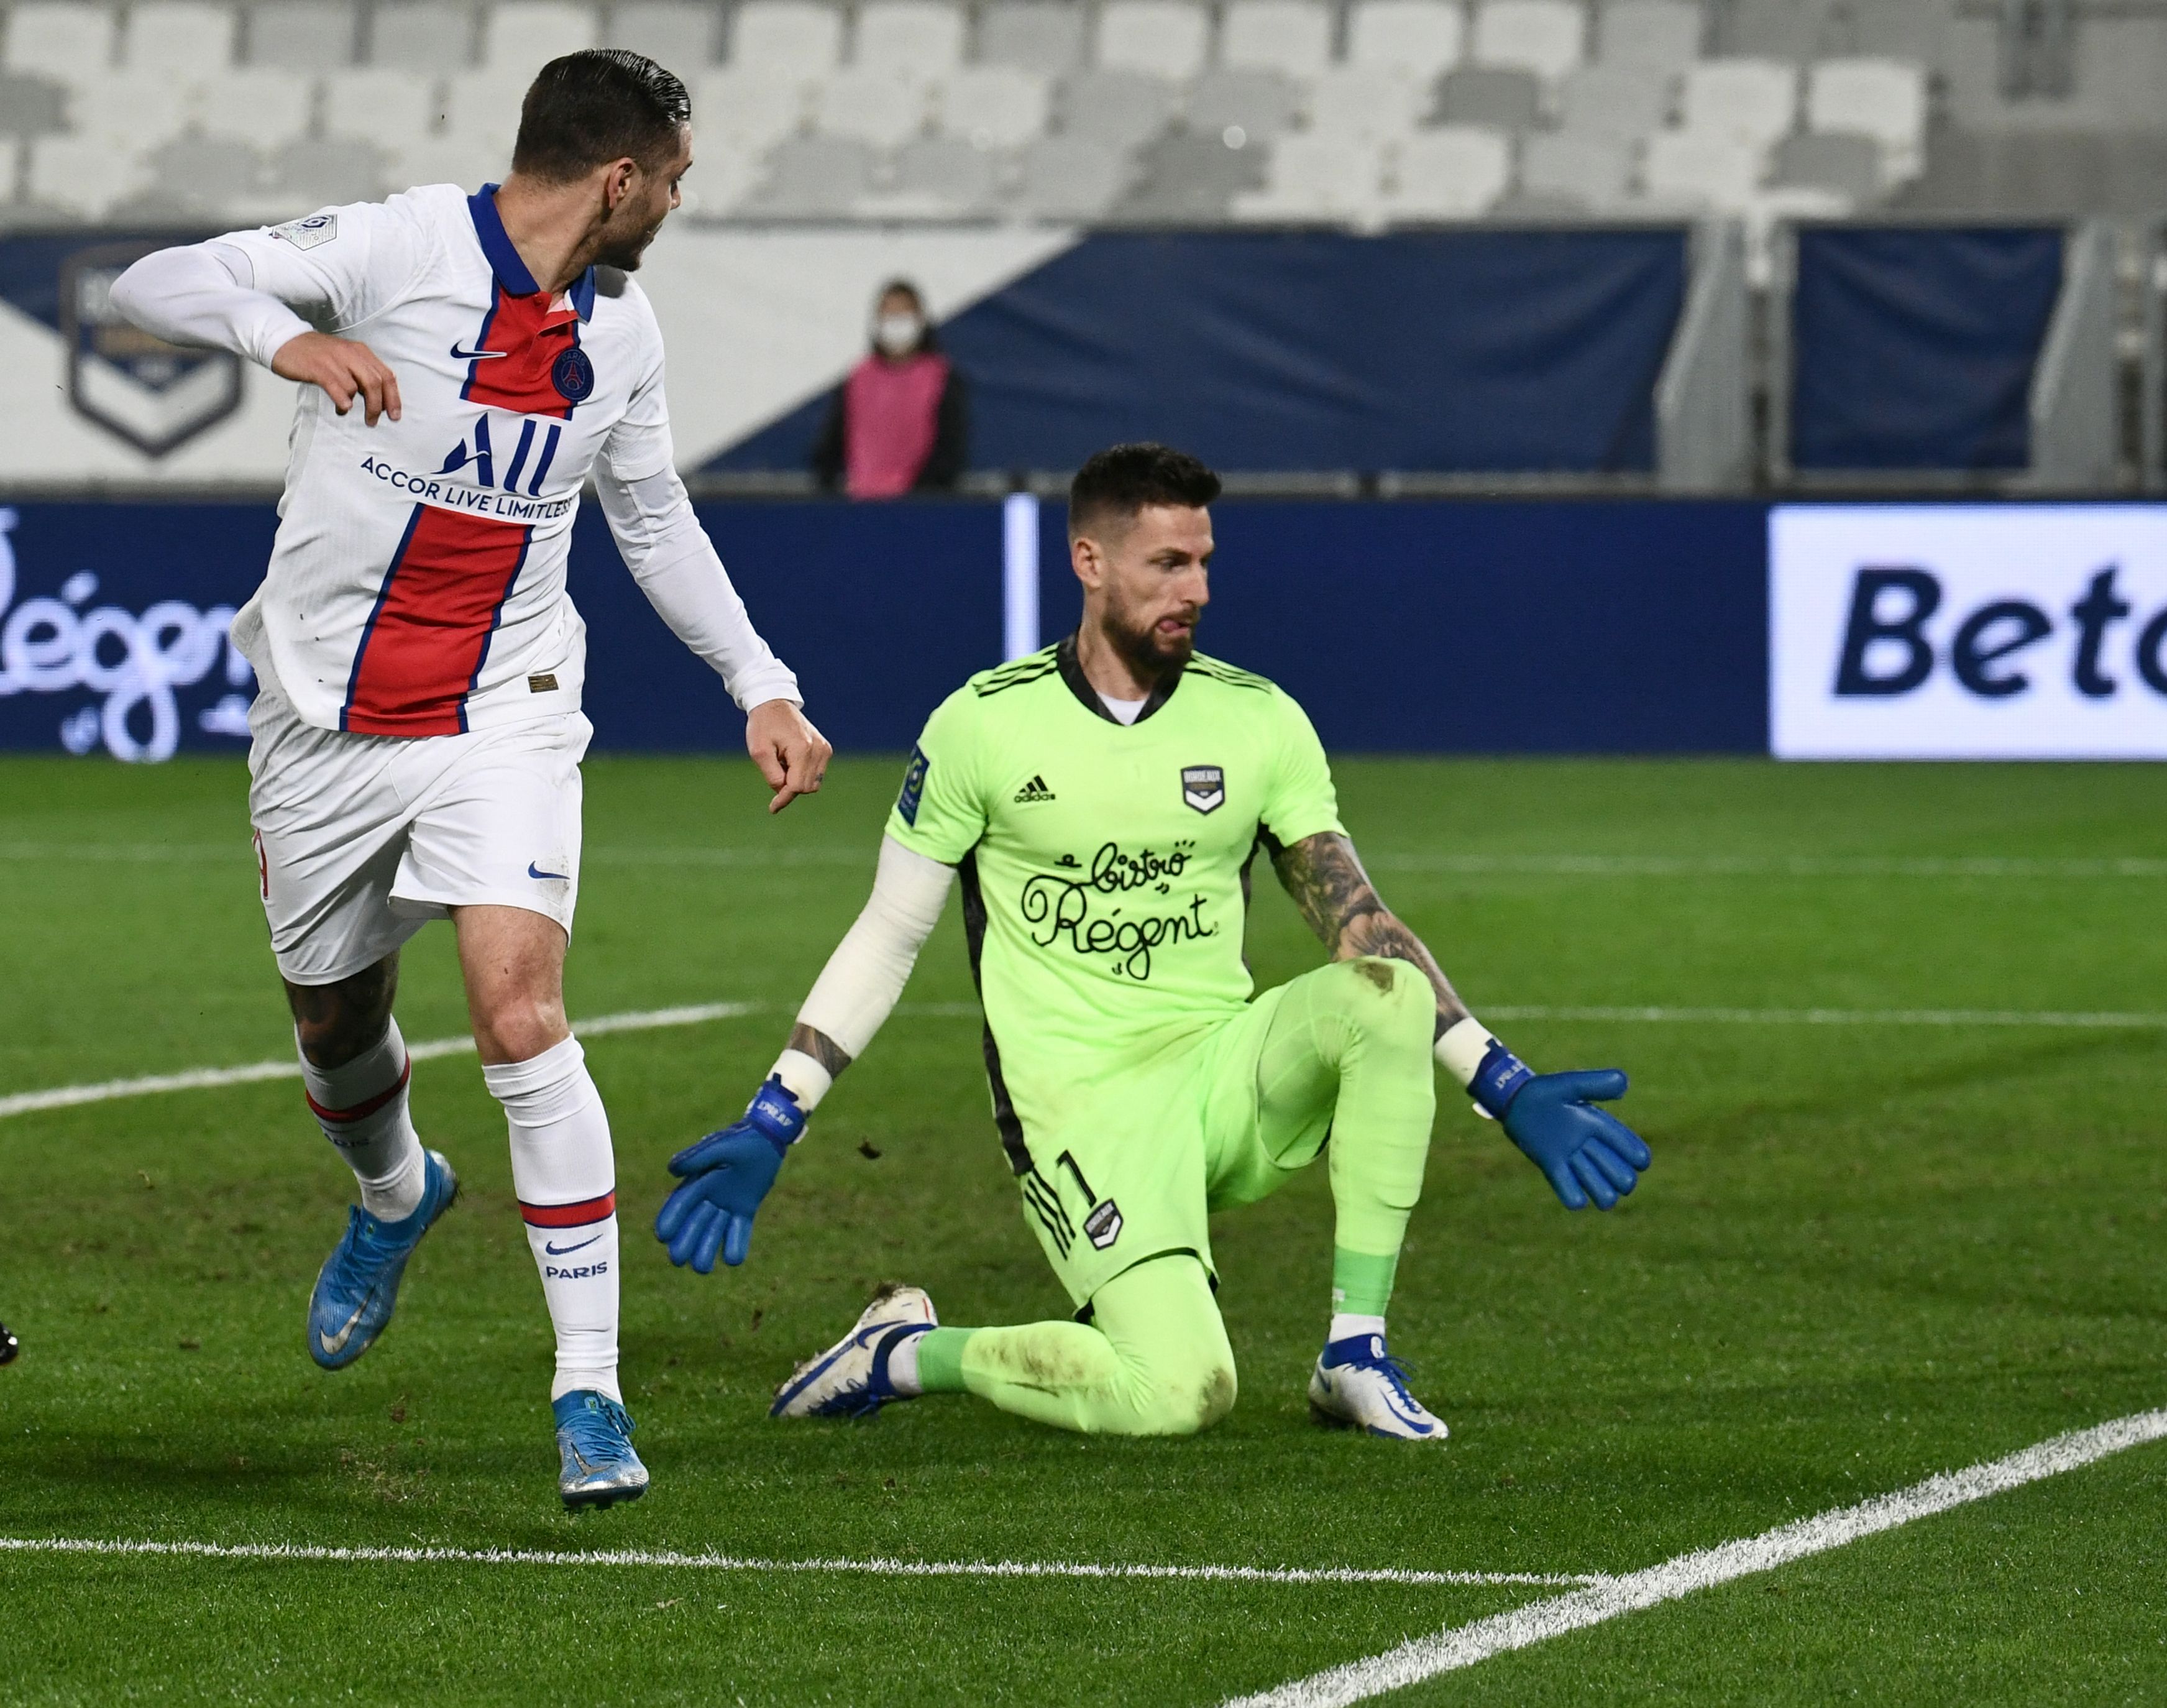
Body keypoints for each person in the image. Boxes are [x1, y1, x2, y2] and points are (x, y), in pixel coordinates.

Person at [111, 49, 832, 1508]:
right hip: (323, 719)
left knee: (521, 1009)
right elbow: (145, 286)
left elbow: (651, 516)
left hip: (506, 708)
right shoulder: (397, 248)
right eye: (675, 180)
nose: (675, 206)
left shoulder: (620, 335)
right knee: (331, 1020)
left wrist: (759, 679)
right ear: (618, 176)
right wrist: (283, 339)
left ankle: (589, 1393)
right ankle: (395, 1191)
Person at [652, 443, 1649, 1441]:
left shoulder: (1259, 720)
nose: (1196, 589)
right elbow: (887, 937)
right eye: (1167, 564)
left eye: (1204, 562)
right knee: (1176, 1395)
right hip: (1084, 1111)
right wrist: (777, 1113)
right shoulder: (981, 727)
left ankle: (1353, 1349)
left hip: (1221, 1074)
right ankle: (902, 1354)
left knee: (1378, 992)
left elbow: (1358, 921)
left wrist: (1501, 1082)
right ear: (1089, 562)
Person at [809, 279, 969, 498]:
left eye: (903, 314)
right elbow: (832, 444)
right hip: (860, 503)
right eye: (889, 314)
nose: (896, 323)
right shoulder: (858, 378)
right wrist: (834, 489)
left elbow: (949, 449)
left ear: (920, 320)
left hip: (919, 506)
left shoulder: (942, 378)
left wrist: (919, 494)